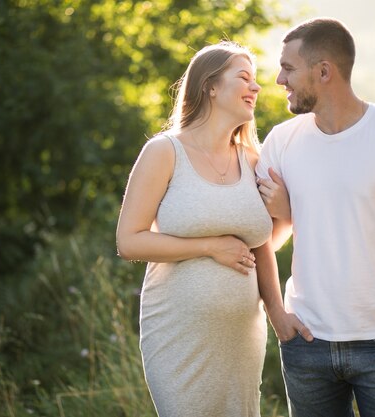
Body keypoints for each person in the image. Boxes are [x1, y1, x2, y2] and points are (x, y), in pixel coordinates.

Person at [255, 17, 375, 417]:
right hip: (305, 344)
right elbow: (266, 239)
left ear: (323, 71)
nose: (278, 79)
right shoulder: (280, 142)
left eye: (288, 68)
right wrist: (277, 313)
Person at [116, 41, 274, 417]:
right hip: (178, 334)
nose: (256, 88)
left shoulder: (254, 159)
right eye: (245, 78)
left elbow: (263, 242)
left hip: (242, 335)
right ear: (211, 86)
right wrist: (209, 247)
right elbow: (129, 240)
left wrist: (278, 312)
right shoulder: (164, 151)